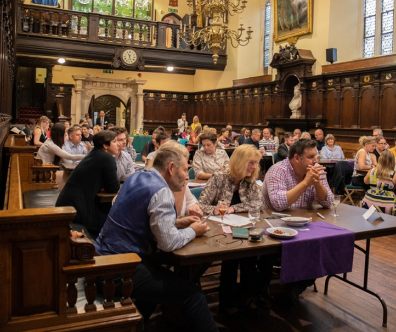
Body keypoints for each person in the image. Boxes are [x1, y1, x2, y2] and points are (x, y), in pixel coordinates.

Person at [95, 142, 217, 332]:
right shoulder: (161, 191)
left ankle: (139, 325)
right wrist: (195, 230)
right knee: (193, 295)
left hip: (104, 256)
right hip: (120, 270)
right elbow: (168, 243)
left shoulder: (137, 176)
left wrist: (178, 223)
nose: (187, 176)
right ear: (171, 168)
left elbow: (138, 218)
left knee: (163, 280)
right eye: (185, 169)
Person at [198, 144, 264, 313]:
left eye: (256, 163)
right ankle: (227, 302)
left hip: (240, 226)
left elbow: (258, 202)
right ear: (239, 162)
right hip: (217, 229)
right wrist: (216, 209)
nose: (254, 167)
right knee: (232, 258)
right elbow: (200, 205)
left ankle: (248, 299)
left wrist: (234, 208)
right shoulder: (219, 176)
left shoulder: (249, 179)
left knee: (251, 256)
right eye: (250, 163)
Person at [56, 130, 120, 238]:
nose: (118, 144)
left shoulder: (95, 154)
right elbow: (113, 188)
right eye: (114, 141)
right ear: (105, 145)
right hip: (77, 210)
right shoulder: (106, 158)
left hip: (68, 202)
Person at [263, 139, 334, 211]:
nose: (315, 161)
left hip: (306, 219)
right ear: (296, 158)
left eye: (316, 156)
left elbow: (329, 203)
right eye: (310, 157)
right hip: (276, 219)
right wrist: (305, 183)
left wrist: (317, 183)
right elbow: (278, 204)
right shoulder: (277, 170)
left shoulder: (316, 169)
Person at [362, 150, 396, 214]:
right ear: (393, 161)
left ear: (380, 159)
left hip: (369, 203)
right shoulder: (394, 174)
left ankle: (375, 221)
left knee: (372, 222)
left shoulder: (372, 171)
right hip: (387, 207)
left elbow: (365, 182)